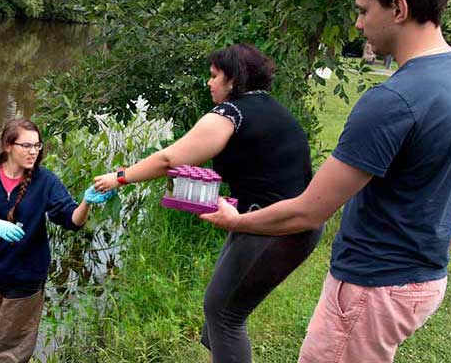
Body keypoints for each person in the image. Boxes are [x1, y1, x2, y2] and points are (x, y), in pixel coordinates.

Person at [201, 0, 451, 362]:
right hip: (424, 283)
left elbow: (309, 210)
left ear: (399, 9)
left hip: (370, 289)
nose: (357, 23)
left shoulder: (392, 102)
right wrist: (430, 258)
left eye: (364, 10)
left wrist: (236, 222)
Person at [93, 43, 323, 363]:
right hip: (286, 224)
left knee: (225, 315)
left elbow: (168, 159)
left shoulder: (231, 113)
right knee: (217, 310)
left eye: (215, 76)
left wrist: (119, 177)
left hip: (272, 229)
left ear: (234, 79)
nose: (209, 82)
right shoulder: (271, 108)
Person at [0, 118, 114, 363]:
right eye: (26, 146)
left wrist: (86, 202)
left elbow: (71, 220)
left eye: (37, 146)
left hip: (26, 278)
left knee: (7, 352)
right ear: (8, 145)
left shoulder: (44, 181)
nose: (33, 151)